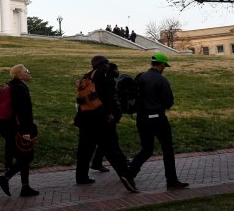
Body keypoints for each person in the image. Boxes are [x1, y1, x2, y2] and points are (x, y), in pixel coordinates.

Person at [73, 55, 137, 192]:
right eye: (107, 64)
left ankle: (81, 176)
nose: (108, 66)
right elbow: (106, 98)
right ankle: (126, 176)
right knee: (111, 148)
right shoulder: (102, 76)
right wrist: (109, 114)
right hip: (100, 118)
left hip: (85, 118)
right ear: (103, 64)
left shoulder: (87, 76)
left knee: (85, 149)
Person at [125, 53, 189, 190]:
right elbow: (168, 102)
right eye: (164, 65)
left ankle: (129, 174)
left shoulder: (140, 77)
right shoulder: (161, 80)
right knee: (167, 149)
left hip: (142, 119)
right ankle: (171, 181)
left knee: (147, 149)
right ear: (161, 65)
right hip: (158, 118)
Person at [0, 65, 39, 197]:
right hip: (18, 129)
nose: (29, 72)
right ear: (20, 75)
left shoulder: (10, 86)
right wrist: (26, 131)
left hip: (8, 127)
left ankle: (25, 187)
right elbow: (23, 111)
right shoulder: (20, 88)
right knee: (27, 156)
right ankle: (6, 178)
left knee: (23, 156)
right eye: (26, 71)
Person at [90, 63, 121, 173]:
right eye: (116, 69)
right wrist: (110, 113)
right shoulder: (109, 82)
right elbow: (109, 100)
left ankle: (97, 161)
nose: (118, 71)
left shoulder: (104, 80)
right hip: (108, 116)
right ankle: (120, 164)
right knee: (111, 140)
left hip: (105, 115)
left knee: (107, 140)